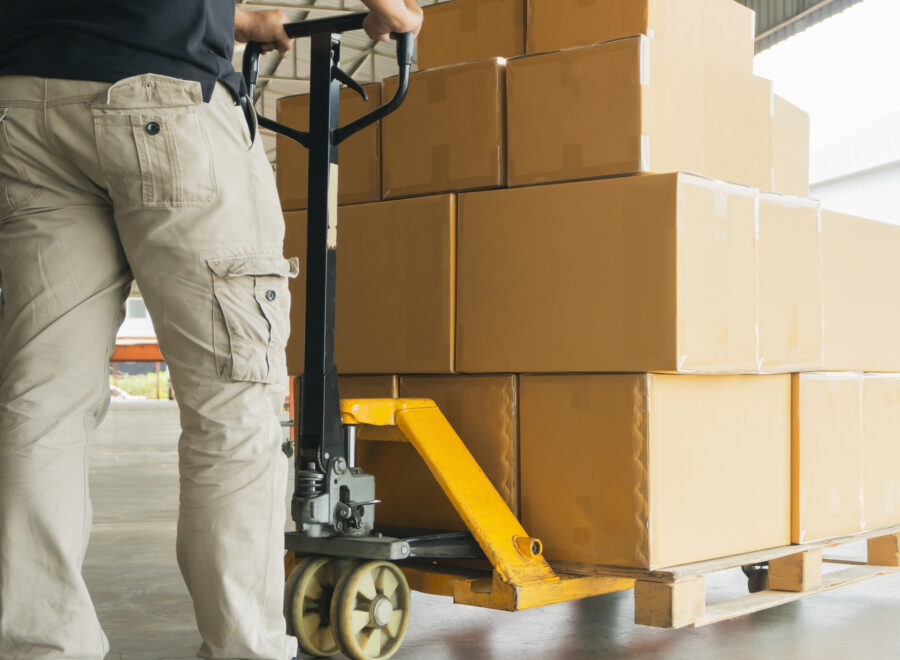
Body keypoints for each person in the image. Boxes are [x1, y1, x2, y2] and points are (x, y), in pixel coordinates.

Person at [0, 1, 423, 659]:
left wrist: (232, 19)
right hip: (158, 93)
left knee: (39, 408)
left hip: (23, 105)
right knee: (233, 401)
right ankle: (243, 649)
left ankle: (41, 647)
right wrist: (392, 8)